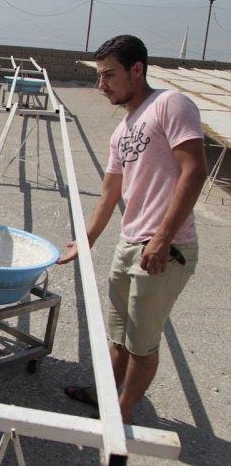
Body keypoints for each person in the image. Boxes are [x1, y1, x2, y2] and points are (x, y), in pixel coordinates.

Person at [57, 35, 207, 424]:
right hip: (130, 244)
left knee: (141, 345)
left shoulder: (170, 105)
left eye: (109, 75)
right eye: (99, 76)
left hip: (165, 249)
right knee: (119, 336)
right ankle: (101, 396)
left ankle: (119, 415)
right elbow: (109, 195)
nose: (101, 85)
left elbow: (194, 171)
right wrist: (85, 241)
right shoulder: (121, 131)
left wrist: (161, 238)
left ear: (137, 70)